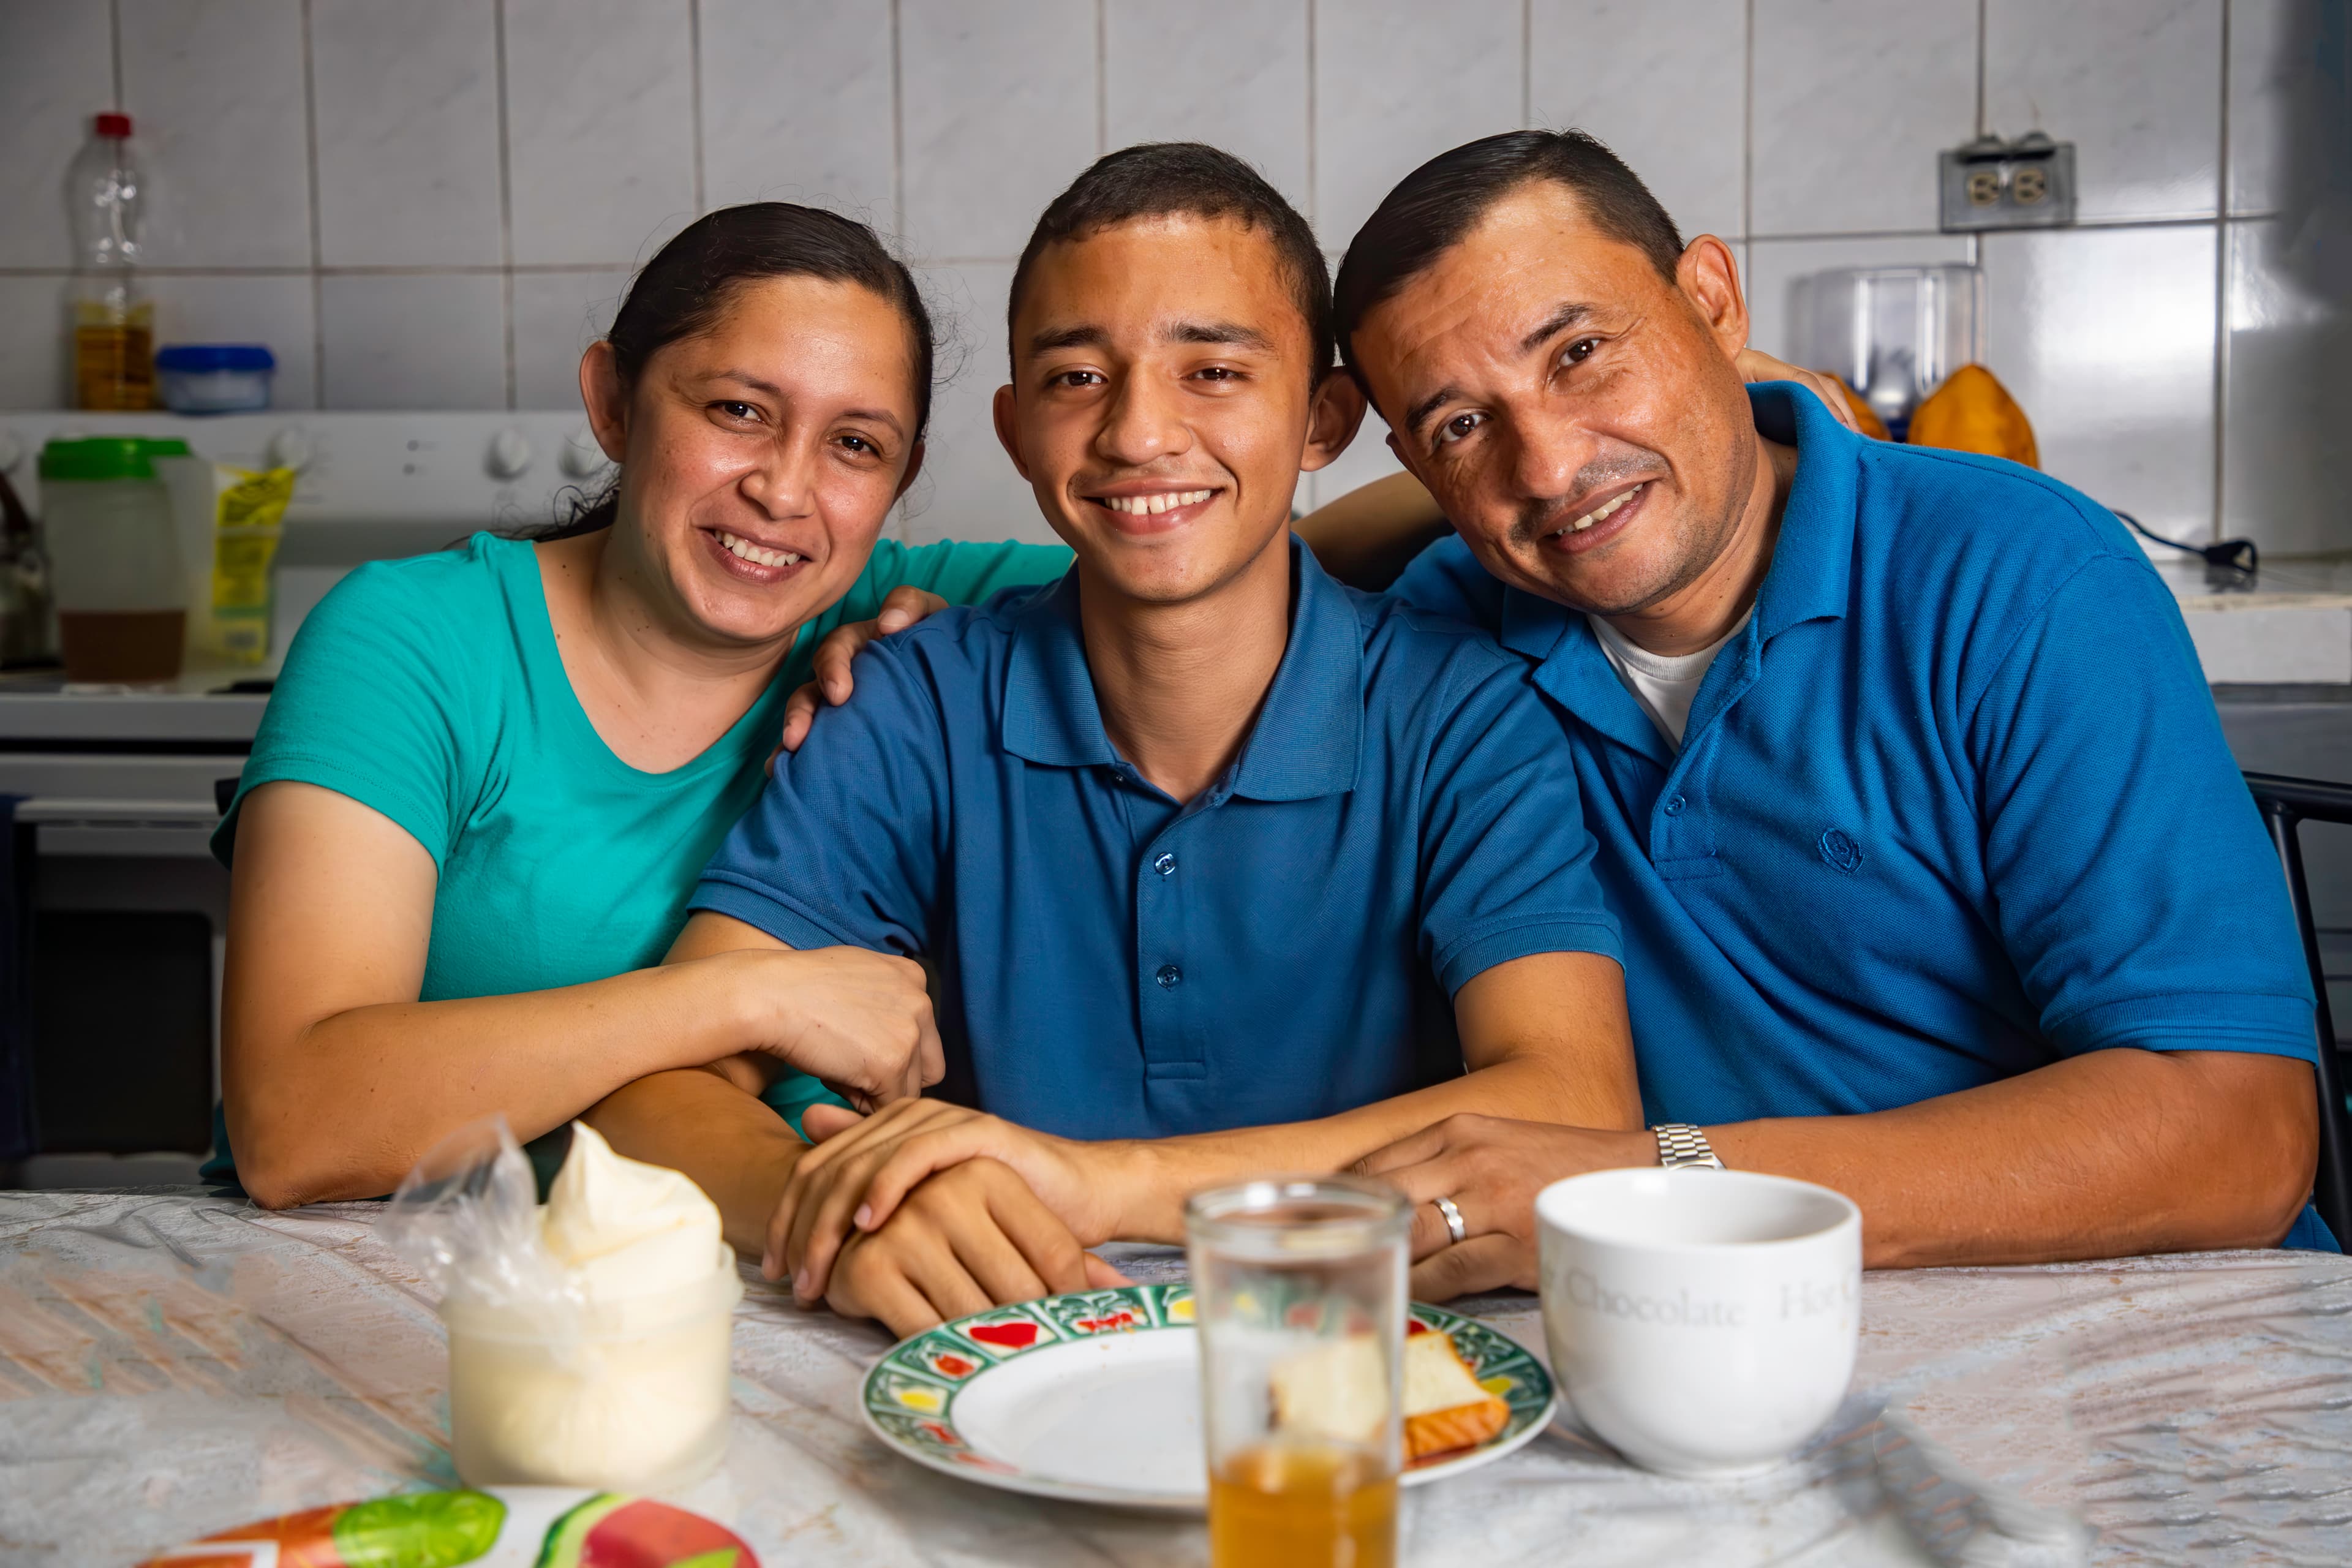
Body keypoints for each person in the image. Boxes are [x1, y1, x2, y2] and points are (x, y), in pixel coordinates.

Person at [587, 144, 1644, 1335]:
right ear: (1016, 428)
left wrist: (1096, 1178)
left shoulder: (1460, 711)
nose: (1141, 432)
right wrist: (836, 1199)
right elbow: (656, 1087)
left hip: (1368, 1361)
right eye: (1079, 376)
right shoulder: (909, 704)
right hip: (996, 1361)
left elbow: (1575, 1100)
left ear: (1324, 418)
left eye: (1213, 370)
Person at [213, 200, 1407, 1208]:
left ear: (901, 482)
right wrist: (747, 992)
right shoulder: (421, 641)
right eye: (737, 410)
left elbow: (1240, 558)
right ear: (617, 404)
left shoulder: (923, 616)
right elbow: (292, 1119)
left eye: (856, 444)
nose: (787, 489)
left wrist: (1496, 488)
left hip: (695, 1281)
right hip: (374, 1271)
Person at [1314, 130, 2326, 1298]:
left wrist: (1674, 1188)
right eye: (1460, 425)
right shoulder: (1447, 635)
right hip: (1719, 1336)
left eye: (1583, 353)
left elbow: (2240, 1133)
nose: (1544, 468)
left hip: (2145, 1334)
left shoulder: (2022, 573)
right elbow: (1247, 580)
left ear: (1712, 298)